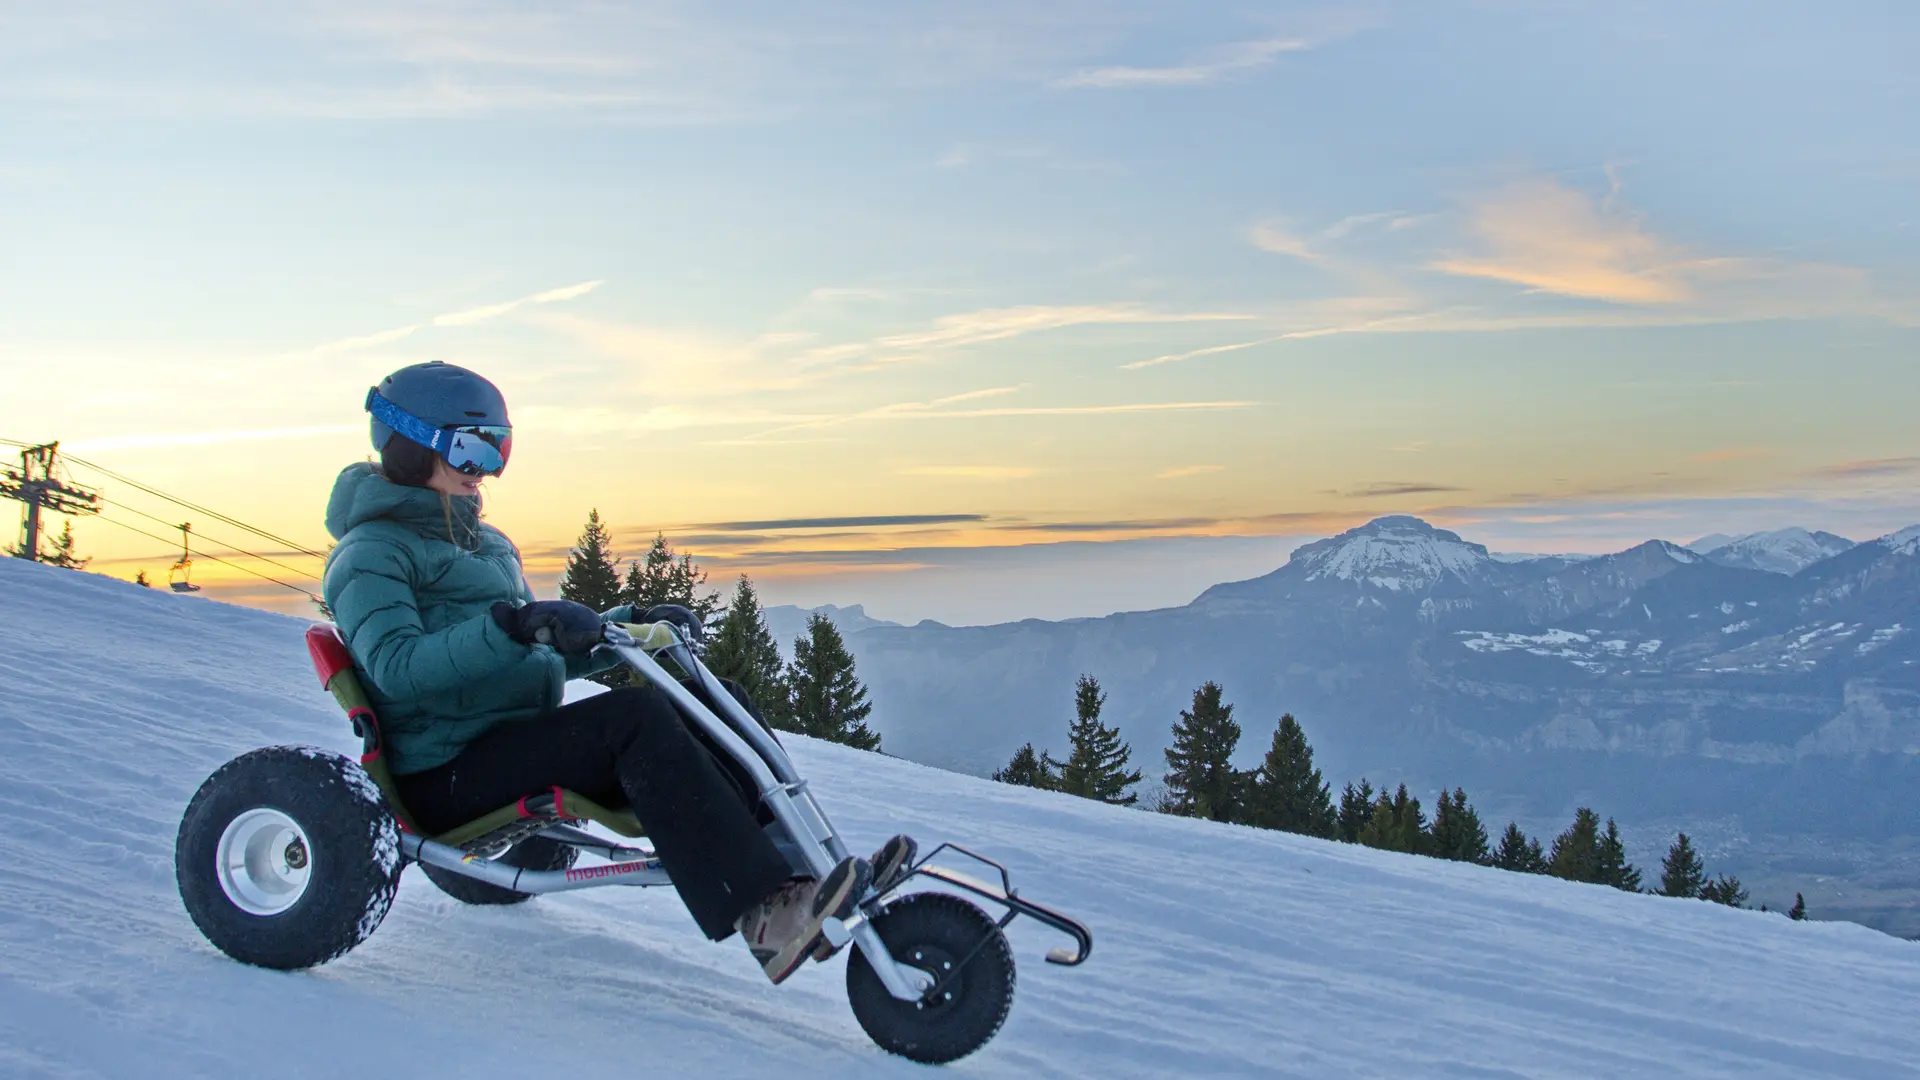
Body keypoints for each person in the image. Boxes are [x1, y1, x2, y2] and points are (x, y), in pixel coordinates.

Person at [321, 361, 915, 984]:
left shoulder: (487, 545)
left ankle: (802, 879)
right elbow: (397, 667)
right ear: (412, 448)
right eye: (472, 451)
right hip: (444, 772)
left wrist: (628, 626)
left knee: (715, 702)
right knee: (634, 719)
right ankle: (764, 916)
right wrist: (510, 627)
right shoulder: (370, 553)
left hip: (512, 743)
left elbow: (538, 648)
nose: (488, 472)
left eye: (500, 450)